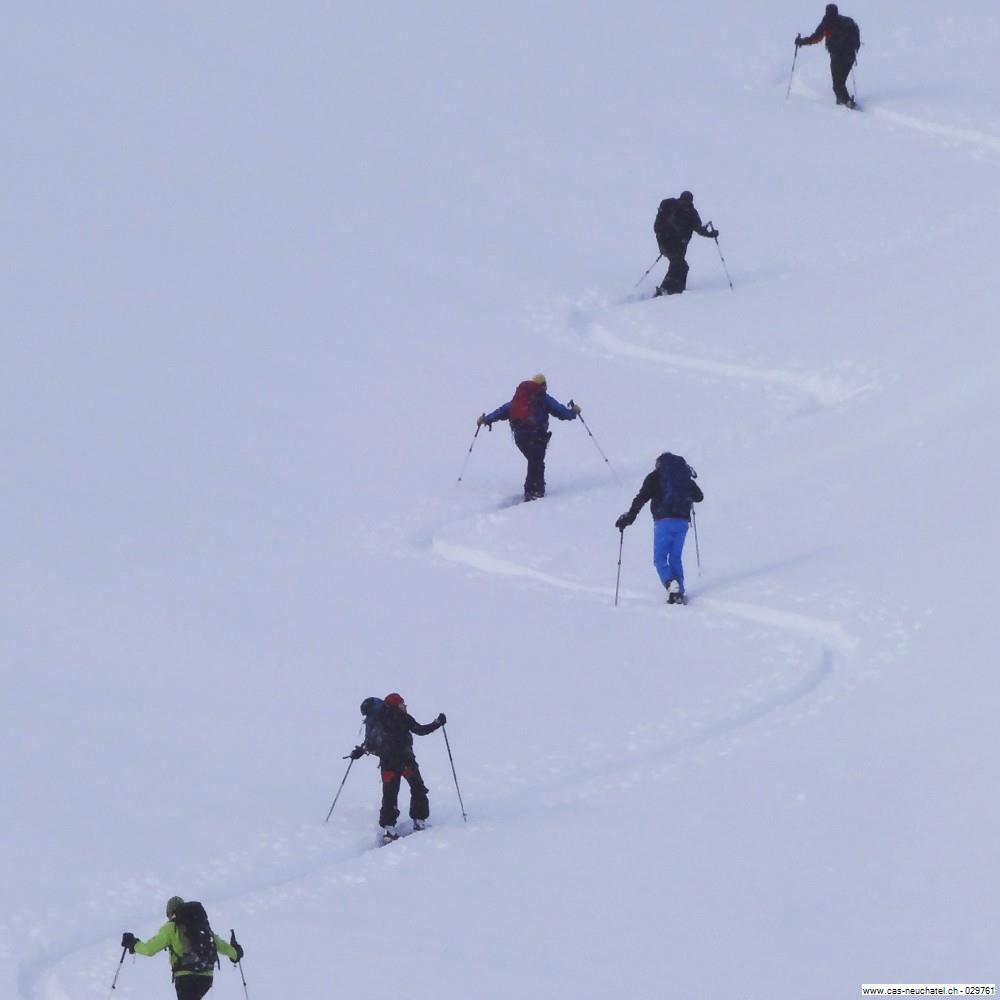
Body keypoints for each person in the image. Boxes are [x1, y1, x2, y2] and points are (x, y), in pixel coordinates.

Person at [350, 692, 446, 843]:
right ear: (396, 705)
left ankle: (389, 829)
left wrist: (359, 752)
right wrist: (438, 723)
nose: (405, 706)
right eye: (402, 703)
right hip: (406, 762)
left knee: (389, 795)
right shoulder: (403, 717)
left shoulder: (379, 720)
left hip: (387, 765)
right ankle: (419, 821)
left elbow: (371, 742)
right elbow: (421, 730)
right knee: (418, 788)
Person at [615, 452, 704, 604]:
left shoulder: (655, 476)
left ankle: (671, 585)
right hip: (682, 523)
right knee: (675, 557)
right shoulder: (684, 477)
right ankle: (679, 592)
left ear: (659, 463)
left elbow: (641, 497)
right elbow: (699, 497)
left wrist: (630, 516)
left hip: (663, 521)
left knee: (660, 559)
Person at [476, 374, 581, 501]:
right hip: (537, 435)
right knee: (536, 461)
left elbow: (504, 410)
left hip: (520, 437)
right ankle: (534, 492)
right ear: (543, 385)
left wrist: (487, 419)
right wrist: (573, 412)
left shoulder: (520, 399)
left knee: (534, 460)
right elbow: (561, 412)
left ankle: (533, 491)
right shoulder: (543, 398)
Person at [121, 896, 242, 1000]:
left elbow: (149, 950)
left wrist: (133, 944)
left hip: (186, 978)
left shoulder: (171, 927)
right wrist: (235, 953)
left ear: (170, 912)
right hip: (206, 977)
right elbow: (219, 944)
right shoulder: (200, 925)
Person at [795, 4, 861, 108]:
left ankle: (846, 103)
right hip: (850, 56)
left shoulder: (826, 23)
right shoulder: (846, 22)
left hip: (837, 56)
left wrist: (802, 42)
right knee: (840, 82)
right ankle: (842, 101)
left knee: (837, 84)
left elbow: (816, 38)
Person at [653, 192, 719, 296]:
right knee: (679, 264)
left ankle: (676, 288)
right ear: (680, 199)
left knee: (681, 266)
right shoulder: (670, 206)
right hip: (666, 241)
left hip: (680, 245)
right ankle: (668, 289)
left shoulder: (692, 213)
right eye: (684, 202)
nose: (685, 205)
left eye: (687, 203)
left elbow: (699, 229)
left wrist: (710, 234)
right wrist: (663, 240)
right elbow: (658, 226)